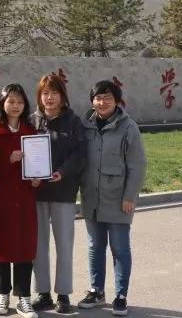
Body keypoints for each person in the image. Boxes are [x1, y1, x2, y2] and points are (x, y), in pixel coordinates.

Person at [77, 80, 146, 317]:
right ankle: (96, 291)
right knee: (95, 246)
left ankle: (120, 295)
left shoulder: (128, 127)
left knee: (120, 248)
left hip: (118, 198)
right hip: (91, 197)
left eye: (108, 98)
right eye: (98, 98)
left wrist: (130, 197)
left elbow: (137, 165)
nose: (102, 102)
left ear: (117, 101)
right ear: (92, 101)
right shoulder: (85, 126)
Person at [0, 84, 40, 318]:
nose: (15, 106)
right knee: (1, 247)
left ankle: (24, 297)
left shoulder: (31, 131)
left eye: (20, 102)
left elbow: (38, 163)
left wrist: (38, 179)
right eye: (11, 101)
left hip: (24, 197)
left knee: (24, 246)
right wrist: (8, 159)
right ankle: (2, 293)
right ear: (2, 103)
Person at [29, 72, 86, 315]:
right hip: (37, 192)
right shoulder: (31, 121)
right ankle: (43, 293)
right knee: (38, 245)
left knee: (64, 244)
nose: (49, 97)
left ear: (62, 96)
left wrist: (63, 172)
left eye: (54, 92)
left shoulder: (73, 122)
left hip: (63, 191)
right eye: (45, 93)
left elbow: (79, 155)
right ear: (39, 96)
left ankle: (63, 293)